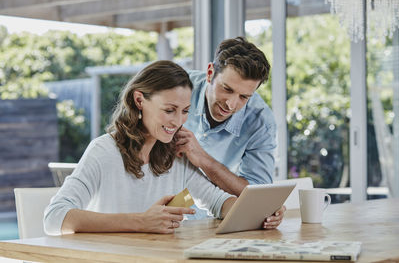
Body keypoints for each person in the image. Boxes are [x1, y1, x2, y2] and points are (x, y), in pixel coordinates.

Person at [43, 61, 279, 235]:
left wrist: (262, 213)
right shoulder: (104, 152)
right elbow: (55, 218)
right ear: (139, 101)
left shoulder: (174, 158)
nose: (177, 122)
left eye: (185, 111)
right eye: (169, 110)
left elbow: (219, 203)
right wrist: (141, 222)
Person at [176, 37, 285, 221]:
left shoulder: (261, 122)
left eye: (244, 97)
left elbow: (258, 194)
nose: (231, 104)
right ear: (210, 73)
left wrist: (203, 159)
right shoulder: (177, 88)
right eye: (226, 89)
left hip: (219, 217)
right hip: (163, 205)